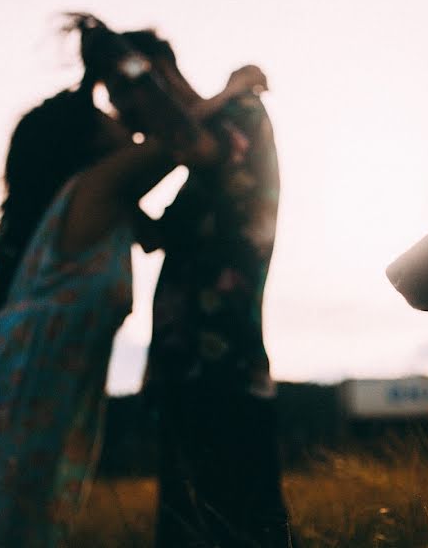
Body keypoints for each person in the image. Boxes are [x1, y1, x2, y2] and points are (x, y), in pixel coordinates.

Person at [0, 15, 261, 547]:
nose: (118, 116)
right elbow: (182, 142)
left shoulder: (105, 207)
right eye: (103, 113)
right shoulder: (97, 185)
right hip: (16, 383)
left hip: (27, 381)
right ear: (83, 141)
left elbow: (164, 228)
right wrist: (233, 88)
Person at [109, 33, 291, 546]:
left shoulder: (242, 114)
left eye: (127, 92)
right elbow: (153, 237)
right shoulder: (199, 170)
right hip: (178, 362)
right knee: (186, 524)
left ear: (158, 73)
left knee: (246, 521)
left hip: (226, 362)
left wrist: (231, 87)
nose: (124, 113)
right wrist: (106, 185)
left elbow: (192, 141)